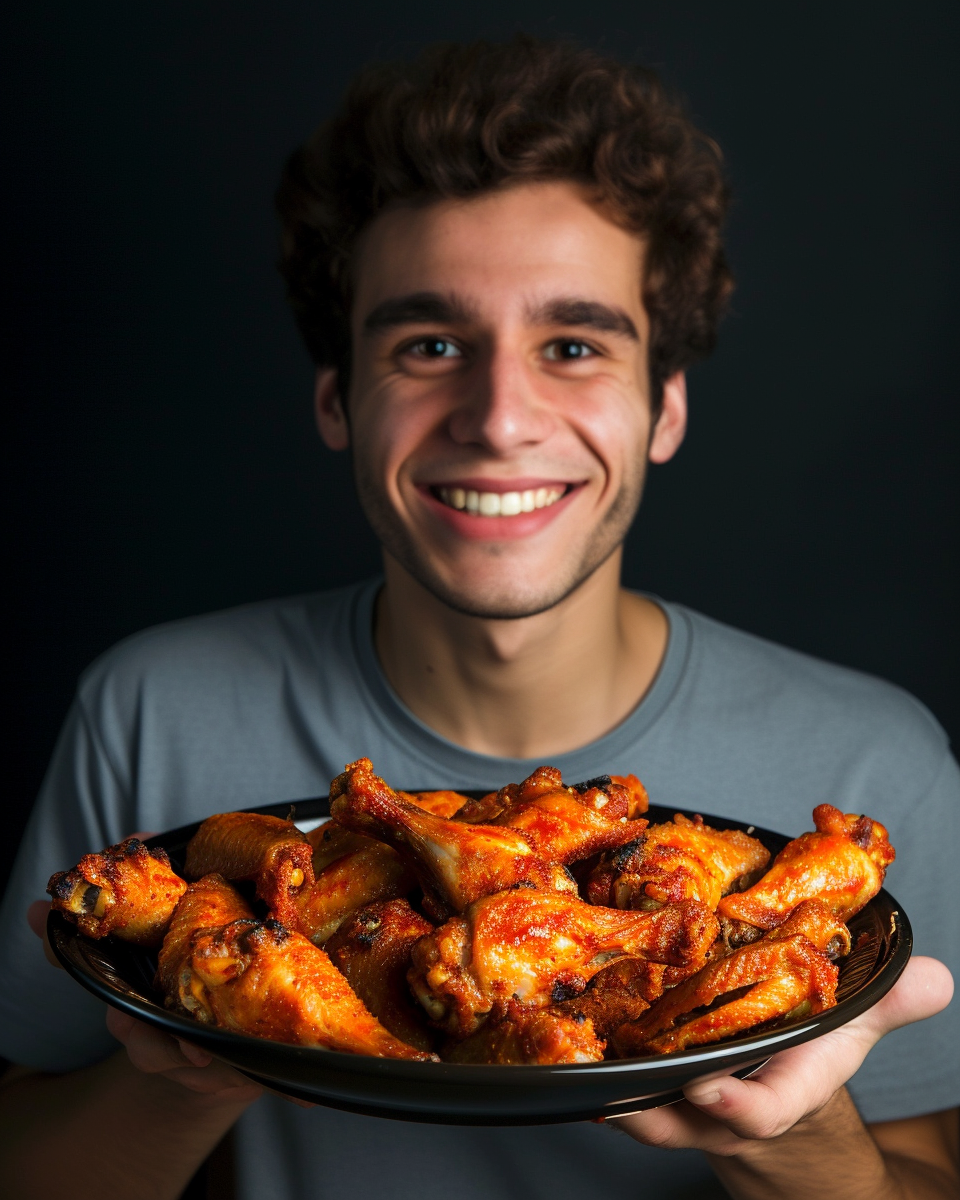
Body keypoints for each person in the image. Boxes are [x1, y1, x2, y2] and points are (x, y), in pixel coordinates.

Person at [0, 35, 956, 1200]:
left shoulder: (875, 757)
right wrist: (196, 1056)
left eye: (572, 344)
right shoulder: (150, 711)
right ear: (337, 401)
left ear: (664, 406)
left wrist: (789, 1131)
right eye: (431, 344)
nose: (501, 415)